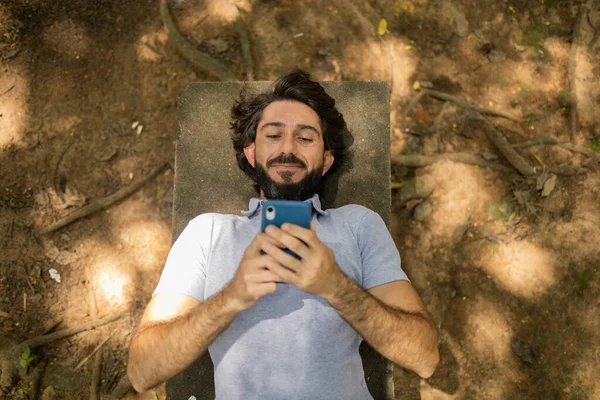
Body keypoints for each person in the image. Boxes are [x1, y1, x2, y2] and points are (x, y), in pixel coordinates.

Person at [127, 70, 439, 399]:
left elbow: (425, 358)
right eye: (273, 136)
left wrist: (336, 287)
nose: (288, 148)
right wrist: (232, 297)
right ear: (251, 152)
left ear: (327, 159)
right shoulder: (208, 233)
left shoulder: (359, 225)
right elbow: (142, 371)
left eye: (305, 138)